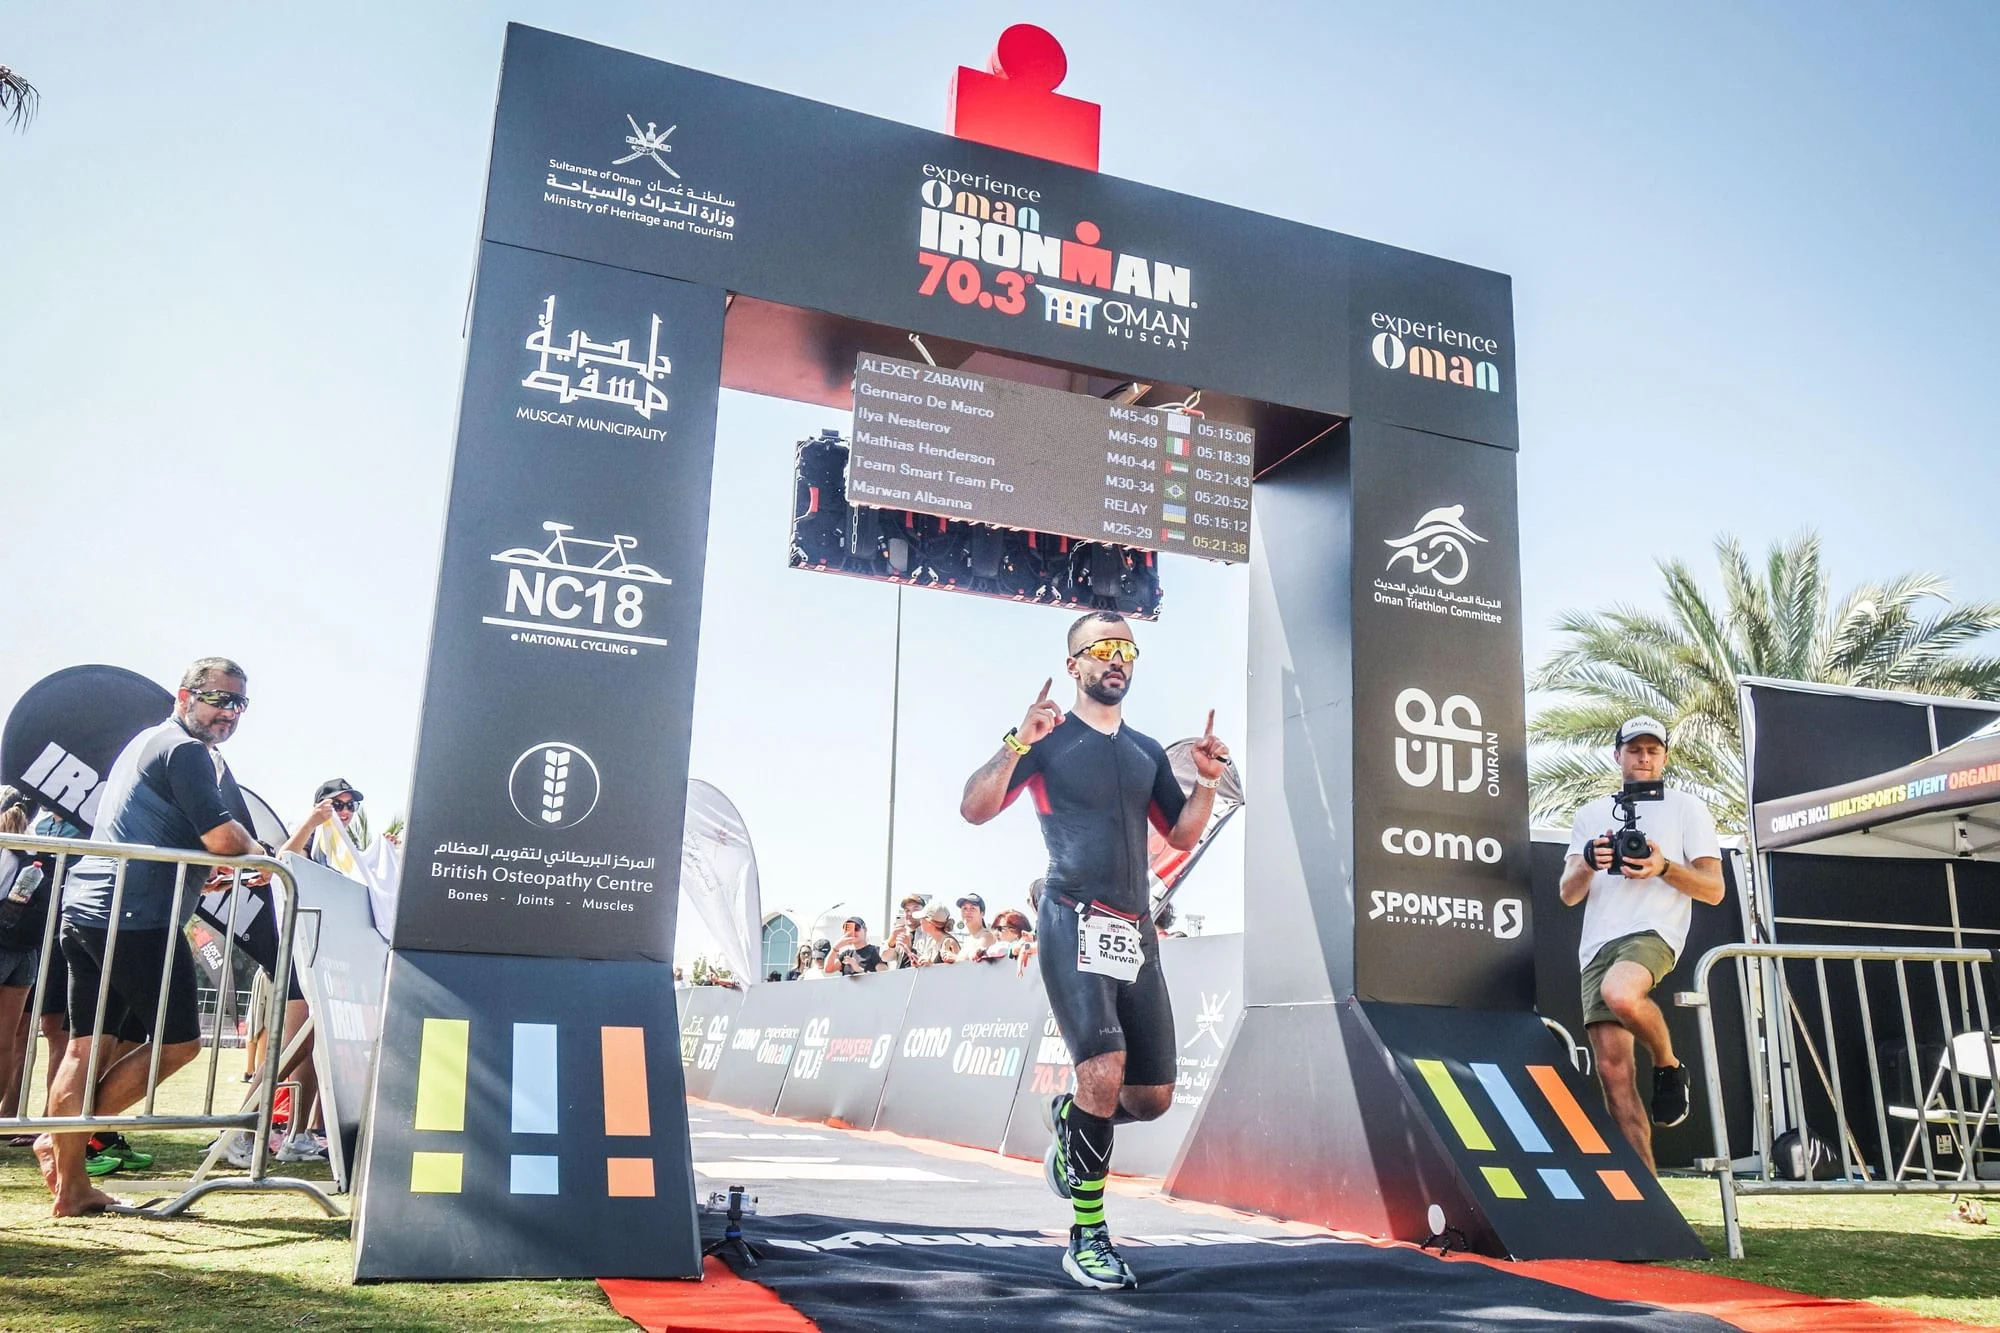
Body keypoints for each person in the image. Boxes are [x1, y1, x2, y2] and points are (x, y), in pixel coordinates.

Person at [960, 610, 1227, 1290]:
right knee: (1103, 1072)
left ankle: (1071, 1118)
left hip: (1135, 930)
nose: (1116, 659)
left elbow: (1182, 834)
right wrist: (1016, 741)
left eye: (1126, 651)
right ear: (1073, 664)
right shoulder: (1047, 741)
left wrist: (1204, 780)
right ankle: (1088, 1236)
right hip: (1072, 918)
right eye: (1102, 648)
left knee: (1151, 1096)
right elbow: (975, 808)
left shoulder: (1143, 750)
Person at [37, 657, 267, 1216]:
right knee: (181, 1044)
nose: (229, 713)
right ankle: (61, 1139)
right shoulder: (185, 750)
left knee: (86, 1048)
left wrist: (201, 871)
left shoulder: (150, 742)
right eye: (218, 699)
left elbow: (159, 830)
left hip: (92, 909)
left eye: (239, 703)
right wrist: (261, 855)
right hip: (136, 916)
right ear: (184, 697)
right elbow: (223, 836)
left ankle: (71, 1184)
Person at [1559, 715, 1725, 1173]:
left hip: (1654, 931)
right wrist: (1589, 860)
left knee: (1621, 993)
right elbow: (1568, 894)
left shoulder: (1687, 808)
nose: (1644, 758)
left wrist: (1663, 867)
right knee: (1614, 1076)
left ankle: (1669, 1064)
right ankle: (1648, 1195)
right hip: (1597, 944)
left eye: (1653, 750)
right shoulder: (1590, 814)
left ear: (1665, 757)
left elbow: (1714, 890)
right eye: (1635, 750)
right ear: (1618, 755)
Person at [909, 902, 961, 966]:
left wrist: (931, 965)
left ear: (930, 922)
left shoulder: (949, 942)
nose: (920, 921)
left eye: (922, 918)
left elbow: (960, 968)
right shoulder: (934, 942)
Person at [957, 894, 1002, 960]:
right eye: (964, 908)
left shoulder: (986, 936)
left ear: (982, 914)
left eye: (972, 908)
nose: (967, 912)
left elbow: (974, 960)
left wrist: (954, 958)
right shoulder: (968, 940)